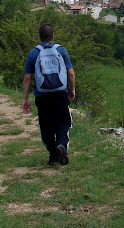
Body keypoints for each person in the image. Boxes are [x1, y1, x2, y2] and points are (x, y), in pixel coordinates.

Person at [22, 23, 76, 165]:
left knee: (46, 126)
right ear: (52, 36)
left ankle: (53, 156)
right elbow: (70, 72)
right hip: (60, 93)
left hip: (42, 95)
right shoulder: (60, 50)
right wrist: (72, 90)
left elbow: (27, 77)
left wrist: (25, 99)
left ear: (39, 36)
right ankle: (62, 145)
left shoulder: (33, 53)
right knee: (63, 122)